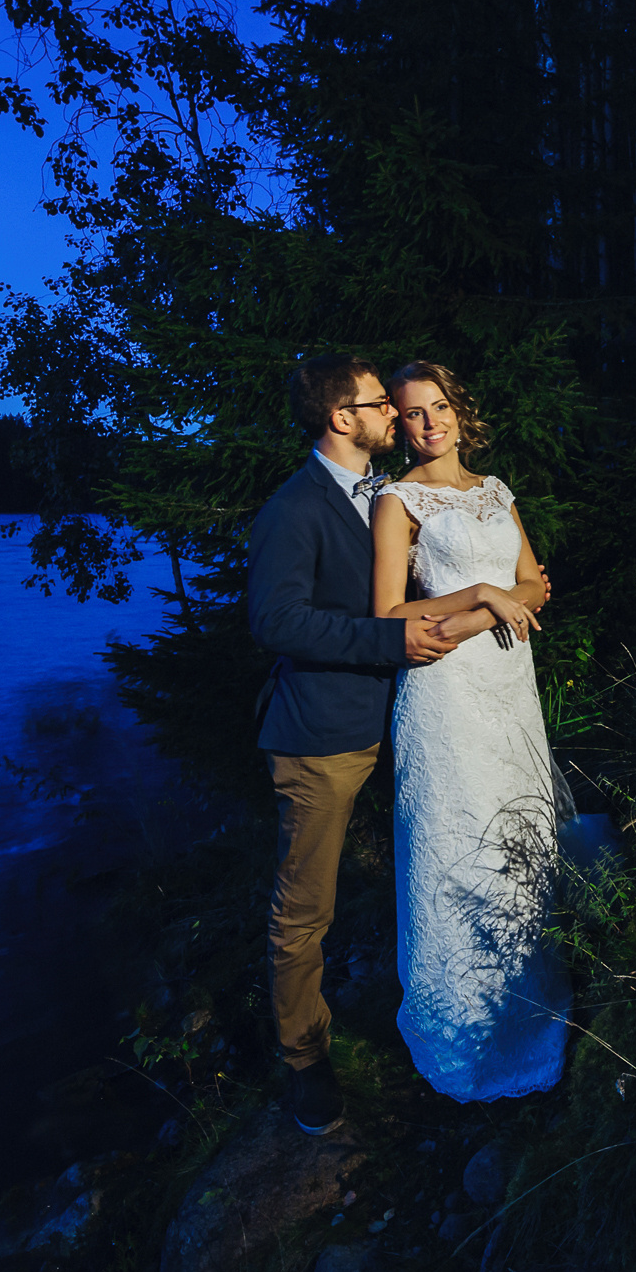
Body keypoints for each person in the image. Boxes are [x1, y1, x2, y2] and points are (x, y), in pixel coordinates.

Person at [243, 354, 487, 1135]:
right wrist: (388, 643)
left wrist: (501, 588)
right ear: (340, 418)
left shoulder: (385, 493)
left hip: (413, 715)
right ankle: (304, 1060)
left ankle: (447, 1002)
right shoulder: (294, 507)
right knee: (304, 907)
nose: (396, 414)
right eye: (380, 403)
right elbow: (274, 622)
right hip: (322, 736)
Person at [369, 361, 573, 1101]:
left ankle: (528, 1010)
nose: (430, 424)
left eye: (439, 407)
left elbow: (533, 582)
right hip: (445, 694)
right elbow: (390, 613)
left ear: (459, 409)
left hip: (508, 682)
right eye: (414, 414)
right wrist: (481, 595)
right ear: (401, 425)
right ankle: (463, 1035)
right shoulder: (398, 501)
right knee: (460, 842)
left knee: (519, 831)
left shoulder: (494, 493)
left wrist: (491, 605)